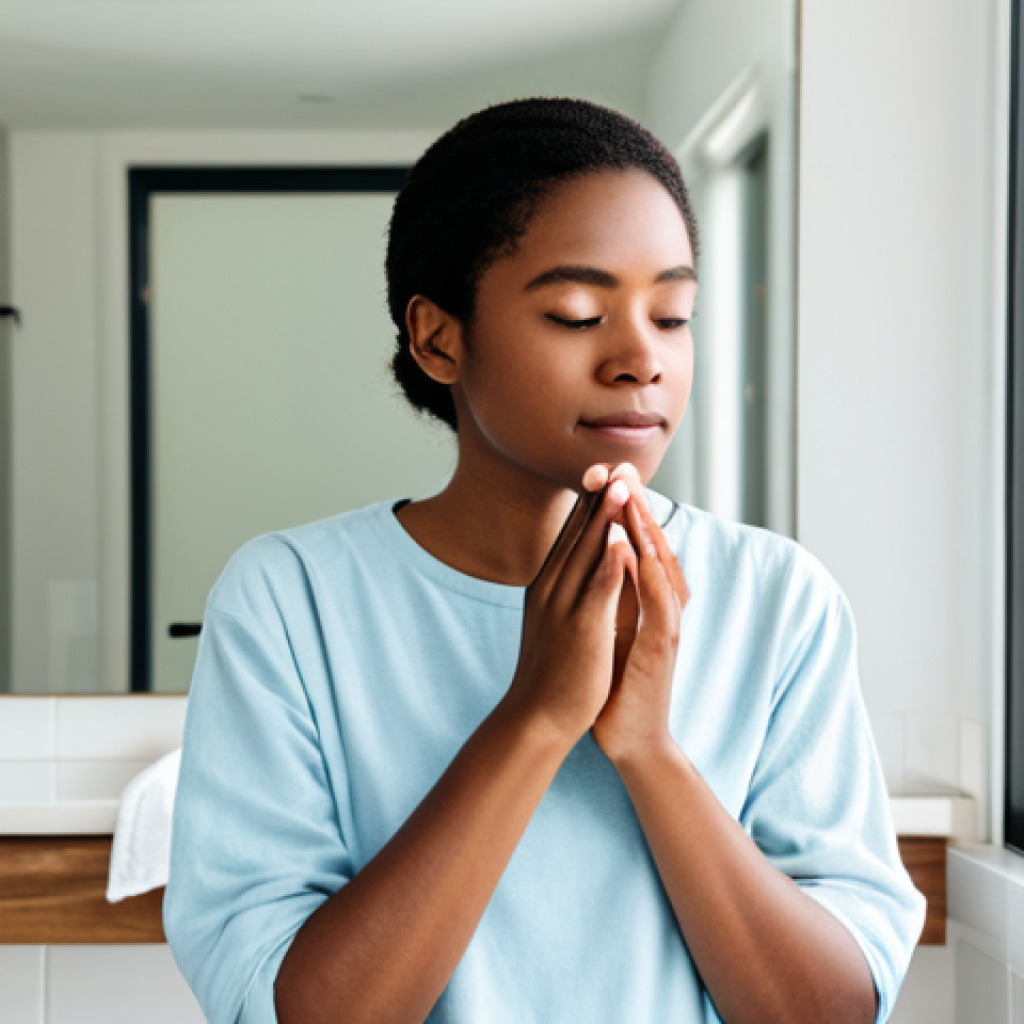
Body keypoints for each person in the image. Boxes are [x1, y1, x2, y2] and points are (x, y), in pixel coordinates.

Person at [164, 98, 926, 1024]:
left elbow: (829, 1012)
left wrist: (647, 751)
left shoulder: (779, 598)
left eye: (673, 314)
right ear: (439, 337)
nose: (641, 359)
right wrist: (535, 716)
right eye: (576, 314)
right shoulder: (290, 600)